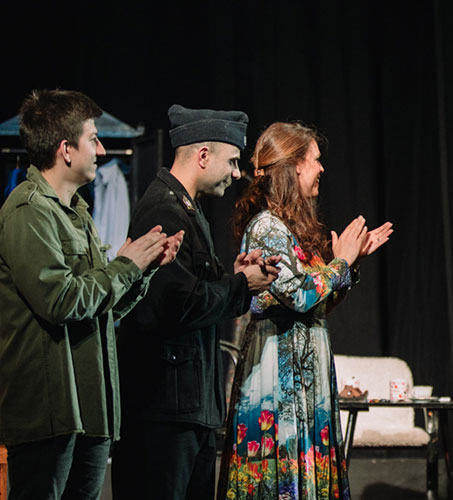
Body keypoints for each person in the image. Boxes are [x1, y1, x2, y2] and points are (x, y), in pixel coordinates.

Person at [0, 89, 182, 500]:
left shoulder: (78, 212)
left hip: (91, 409)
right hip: (49, 413)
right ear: (66, 149)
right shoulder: (28, 211)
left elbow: (102, 307)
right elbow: (60, 300)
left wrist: (143, 269)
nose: (101, 150)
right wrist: (125, 266)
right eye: (93, 139)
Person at [112, 105, 280, 500]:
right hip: (165, 413)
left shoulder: (186, 208)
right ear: (203, 155)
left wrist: (234, 278)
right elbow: (176, 302)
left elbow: (189, 291)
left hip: (186, 408)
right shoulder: (163, 209)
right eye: (233, 161)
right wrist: (240, 285)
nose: (236, 174)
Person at [218, 122, 392, 500]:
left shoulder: (291, 229)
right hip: (279, 378)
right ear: (295, 166)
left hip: (304, 376)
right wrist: (340, 264)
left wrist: (351, 265)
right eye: (315, 159)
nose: (322, 168)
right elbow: (298, 295)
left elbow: (318, 304)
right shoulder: (267, 228)